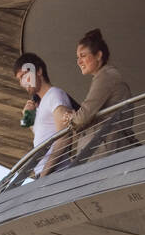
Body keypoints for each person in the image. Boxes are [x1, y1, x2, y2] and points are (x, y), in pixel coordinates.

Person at [45, 28, 135, 172]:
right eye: (77, 57)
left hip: (104, 151)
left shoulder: (106, 76)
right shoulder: (105, 76)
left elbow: (82, 117)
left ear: (98, 55)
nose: (79, 61)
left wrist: (71, 118)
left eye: (83, 55)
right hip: (107, 148)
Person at [13, 52, 75, 176]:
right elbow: (41, 133)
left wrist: (45, 173)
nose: (22, 82)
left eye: (24, 75)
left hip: (55, 171)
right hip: (44, 172)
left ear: (39, 71)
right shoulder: (39, 104)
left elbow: (64, 136)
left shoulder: (55, 94)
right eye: (19, 79)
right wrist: (27, 115)